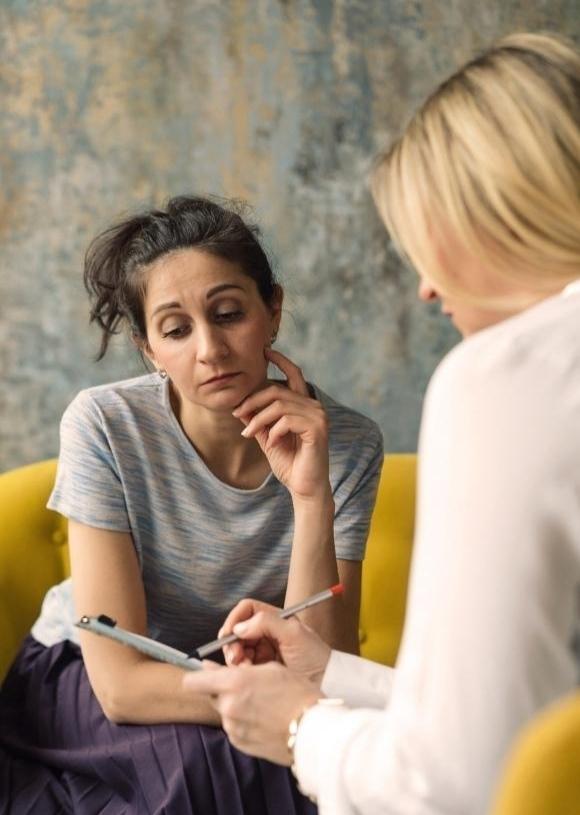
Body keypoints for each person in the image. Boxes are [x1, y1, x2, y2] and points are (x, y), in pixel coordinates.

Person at [183, 32, 580, 815]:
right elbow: (526, 714)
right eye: (173, 327)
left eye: (431, 240)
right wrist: (332, 674)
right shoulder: (103, 425)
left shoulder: (503, 378)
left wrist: (301, 727)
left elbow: (454, 782)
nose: (428, 291)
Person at [0, 196, 383, 814]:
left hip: (257, 681)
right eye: (176, 330)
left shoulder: (348, 442)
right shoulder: (104, 424)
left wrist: (310, 498)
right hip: (93, 678)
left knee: (305, 769)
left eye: (229, 313)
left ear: (273, 310)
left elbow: (322, 663)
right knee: (215, 770)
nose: (209, 348)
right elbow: (121, 686)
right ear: (150, 349)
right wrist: (286, 710)